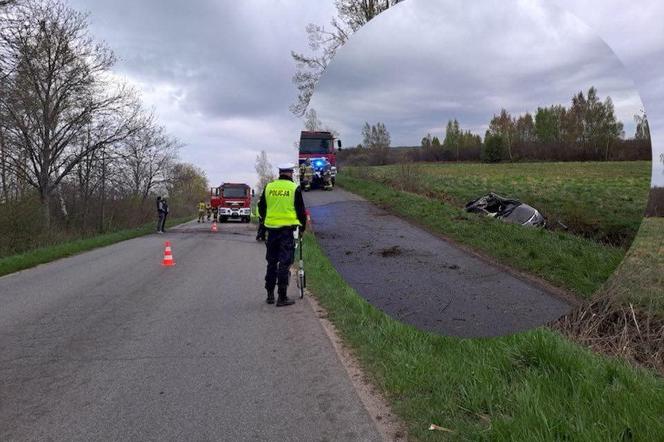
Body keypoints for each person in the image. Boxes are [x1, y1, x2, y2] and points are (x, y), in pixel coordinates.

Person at [258, 164, 307, 307]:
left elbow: (261, 208)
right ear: (291, 173)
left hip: (271, 231)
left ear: (280, 173)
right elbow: (300, 210)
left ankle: (269, 295)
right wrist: (302, 227)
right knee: (284, 263)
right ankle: (282, 297)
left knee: (271, 262)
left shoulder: (269, 187)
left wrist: (265, 222)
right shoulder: (294, 188)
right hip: (286, 232)